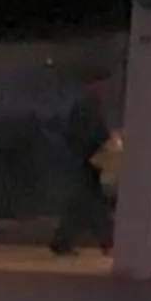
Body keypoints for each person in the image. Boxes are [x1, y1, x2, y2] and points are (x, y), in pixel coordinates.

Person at [49, 73, 117, 256]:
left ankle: (63, 241)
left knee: (81, 205)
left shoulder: (87, 106)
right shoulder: (87, 107)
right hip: (86, 161)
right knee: (93, 204)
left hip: (83, 161)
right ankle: (108, 241)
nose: (105, 89)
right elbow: (89, 135)